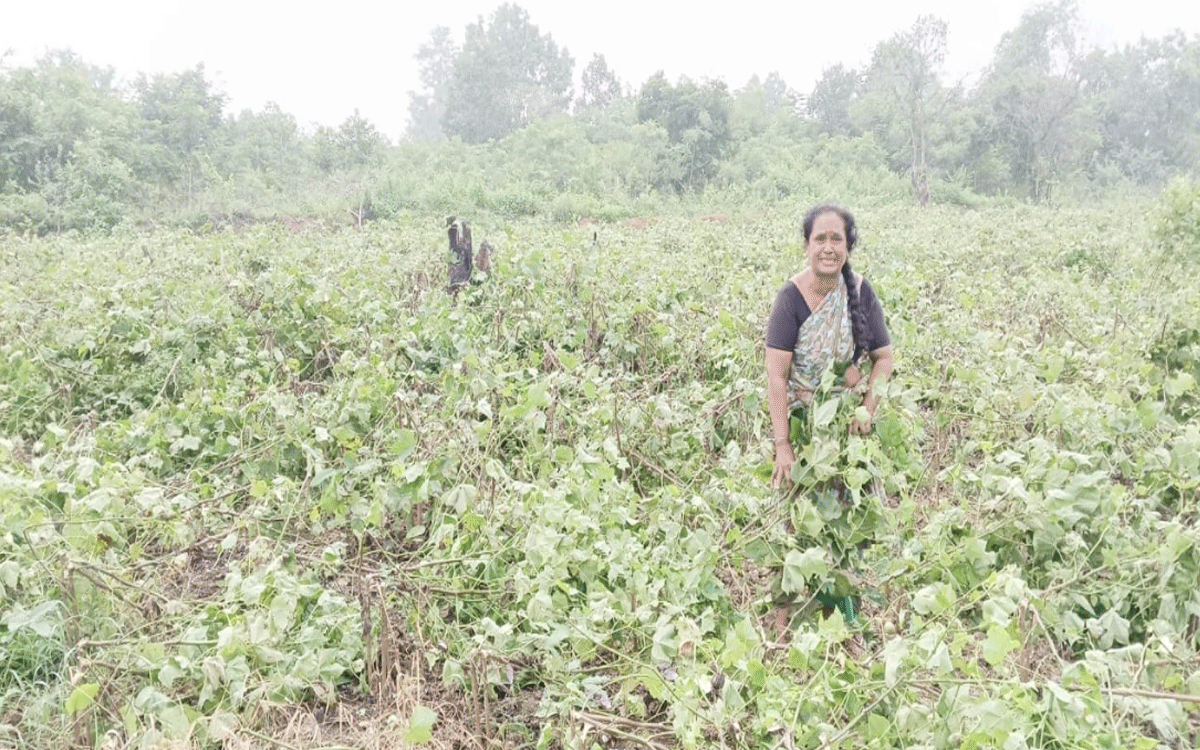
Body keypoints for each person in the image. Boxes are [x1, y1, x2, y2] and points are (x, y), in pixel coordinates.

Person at [764, 203, 894, 634]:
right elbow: (777, 377)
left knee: (844, 527)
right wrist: (783, 445)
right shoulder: (791, 299)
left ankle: (840, 623)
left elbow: (884, 359)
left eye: (836, 239)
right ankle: (782, 623)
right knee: (793, 524)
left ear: (848, 245)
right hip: (801, 423)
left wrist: (866, 408)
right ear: (806, 246)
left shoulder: (860, 291)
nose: (828, 247)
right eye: (820, 238)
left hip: (842, 430)